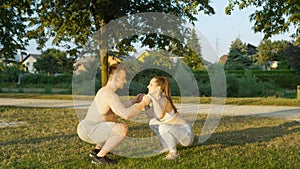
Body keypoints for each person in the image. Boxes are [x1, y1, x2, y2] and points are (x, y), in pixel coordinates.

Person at [77, 63, 150, 165]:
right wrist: (143, 103)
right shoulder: (110, 95)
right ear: (115, 78)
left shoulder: (105, 91)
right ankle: (99, 157)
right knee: (122, 129)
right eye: (123, 78)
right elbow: (126, 115)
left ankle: (96, 151)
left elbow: (118, 107)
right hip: (89, 129)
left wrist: (134, 101)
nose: (125, 81)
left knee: (113, 121)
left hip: (86, 128)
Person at [144, 76, 194, 160]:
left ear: (158, 88)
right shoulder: (156, 100)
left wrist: (151, 97)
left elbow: (159, 115)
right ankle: (166, 146)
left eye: (151, 84)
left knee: (163, 127)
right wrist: (145, 103)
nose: (148, 86)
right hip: (177, 132)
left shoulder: (163, 99)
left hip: (186, 135)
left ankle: (173, 153)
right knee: (152, 122)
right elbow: (150, 114)